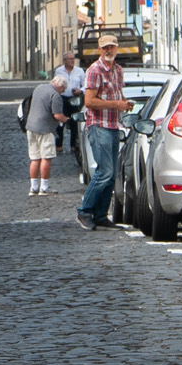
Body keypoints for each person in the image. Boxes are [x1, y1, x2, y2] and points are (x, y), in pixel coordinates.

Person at [75, 37, 132, 227]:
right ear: (99, 49)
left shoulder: (118, 70)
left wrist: (124, 103)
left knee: (112, 174)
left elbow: (117, 95)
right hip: (99, 126)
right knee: (104, 172)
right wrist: (117, 104)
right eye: (105, 47)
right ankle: (84, 212)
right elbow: (89, 101)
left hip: (114, 125)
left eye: (112, 47)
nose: (109, 50)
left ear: (117, 48)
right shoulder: (94, 70)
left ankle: (100, 215)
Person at [23, 73, 63, 196]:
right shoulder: (55, 95)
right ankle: (44, 188)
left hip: (31, 127)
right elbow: (57, 115)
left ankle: (33, 188)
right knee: (46, 158)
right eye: (63, 89)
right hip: (45, 130)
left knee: (34, 158)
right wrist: (66, 119)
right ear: (60, 86)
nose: (63, 92)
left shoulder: (39, 87)